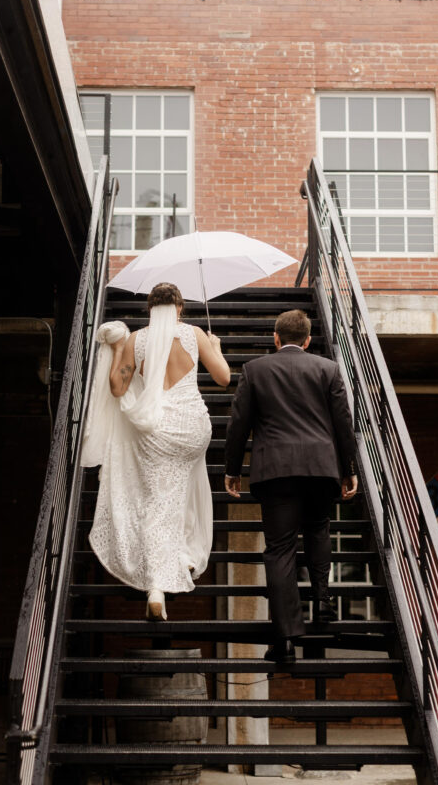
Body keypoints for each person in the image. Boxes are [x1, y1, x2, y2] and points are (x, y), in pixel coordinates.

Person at [80, 282, 230, 621]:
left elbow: (118, 389)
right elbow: (223, 378)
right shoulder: (195, 334)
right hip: (193, 429)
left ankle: (156, 587)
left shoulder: (138, 339)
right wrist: (216, 348)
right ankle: (183, 557)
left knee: (156, 502)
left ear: (150, 309)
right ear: (179, 307)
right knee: (178, 491)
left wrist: (119, 348)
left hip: (156, 432)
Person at [224, 309, 358, 664]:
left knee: (280, 550)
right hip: (320, 467)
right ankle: (323, 600)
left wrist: (232, 469)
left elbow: (239, 424)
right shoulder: (328, 369)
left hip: (276, 471)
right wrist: (349, 469)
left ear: (276, 338)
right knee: (318, 529)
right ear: (309, 340)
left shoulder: (254, 371)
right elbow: (343, 424)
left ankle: (285, 638)